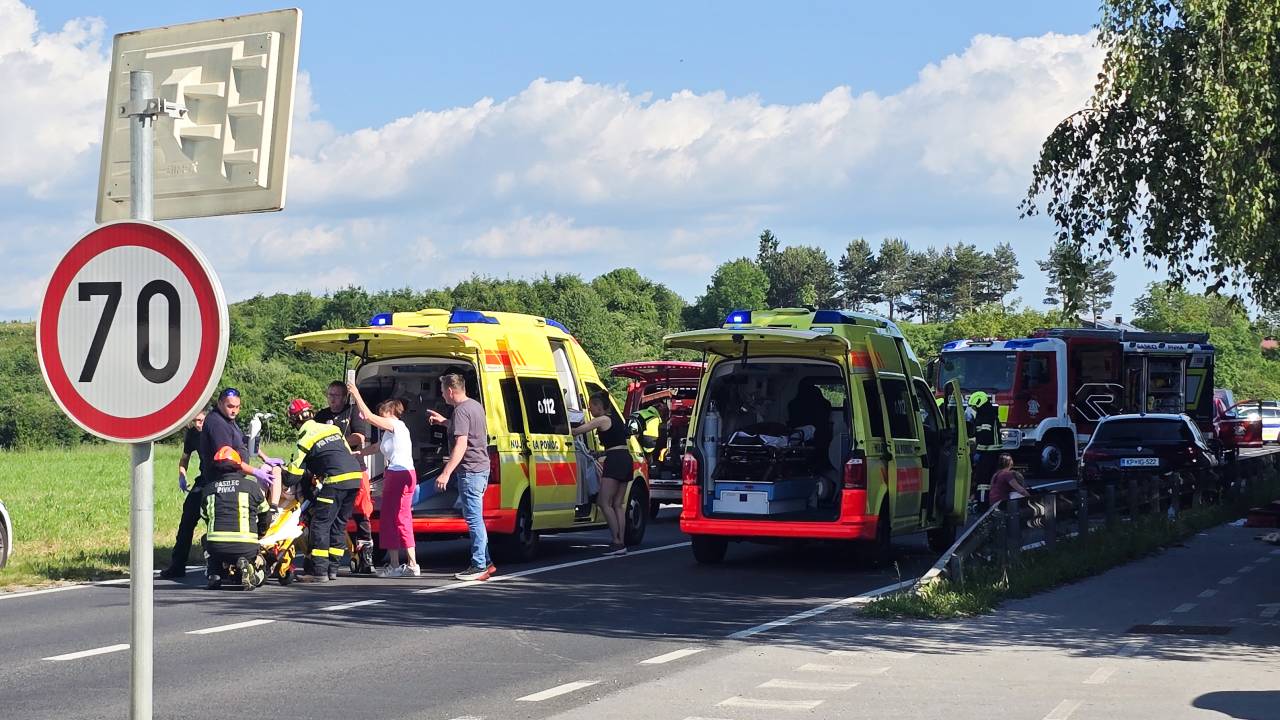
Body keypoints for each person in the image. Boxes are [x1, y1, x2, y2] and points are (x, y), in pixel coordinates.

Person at [161, 388, 272, 580]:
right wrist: (255, 471)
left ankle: (221, 565)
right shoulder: (216, 424)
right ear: (220, 403)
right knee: (192, 520)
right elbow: (227, 459)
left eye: (237, 406)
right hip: (214, 481)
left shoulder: (230, 422)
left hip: (225, 480)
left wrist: (266, 459)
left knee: (219, 523)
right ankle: (183, 565)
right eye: (230, 406)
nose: (234, 410)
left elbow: (243, 443)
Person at [281, 398, 365, 582]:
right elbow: (344, 452)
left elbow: (293, 475)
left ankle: (318, 572)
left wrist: (281, 472)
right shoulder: (332, 429)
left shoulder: (304, 438)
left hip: (335, 480)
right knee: (339, 524)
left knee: (320, 524)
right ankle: (333, 569)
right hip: (354, 477)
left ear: (294, 420)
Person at [347, 384, 420, 578]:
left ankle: (395, 564)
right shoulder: (394, 432)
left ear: (391, 412)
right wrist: (359, 453)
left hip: (397, 474)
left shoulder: (395, 425)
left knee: (388, 519)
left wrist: (356, 394)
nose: (380, 417)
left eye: (383, 414)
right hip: (407, 473)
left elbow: (368, 417)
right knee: (403, 518)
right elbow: (377, 447)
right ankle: (412, 563)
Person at [428, 373, 495, 581]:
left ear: (450, 391)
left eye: (442, 391)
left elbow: (462, 444)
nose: (442, 395)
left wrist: (446, 472)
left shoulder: (460, 411)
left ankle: (479, 565)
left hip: (470, 471)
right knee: (475, 518)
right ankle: (486, 561)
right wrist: (445, 422)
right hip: (480, 468)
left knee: (474, 519)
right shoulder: (474, 406)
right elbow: (470, 432)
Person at [315, 380, 374, 568]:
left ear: (344, 397)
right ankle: (330, 560)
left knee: (362, 512)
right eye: (330, 395)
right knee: (331, 515)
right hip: (330, 473)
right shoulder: (321, 416)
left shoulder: (352, 412)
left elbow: (359, 437)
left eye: (336, 395)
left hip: (355, 469)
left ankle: (365, 557)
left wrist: (337, 444)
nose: (332, 399)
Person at [201, 446, 273, 590]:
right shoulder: (251, 487)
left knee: (205, 539)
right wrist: (261, 532)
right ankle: (253, 571)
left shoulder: (208, 489)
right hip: (246, 546)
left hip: (216, 547)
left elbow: (206, 517)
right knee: (262, 571)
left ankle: (214, 574)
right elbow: (266, 514)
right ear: (239, 466)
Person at [571, 390, 631, 556]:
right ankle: (621, 542)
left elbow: (577, 431)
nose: (590, 409)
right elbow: (616, 443)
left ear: (599, 406)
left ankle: (616, 542)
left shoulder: (602, 419)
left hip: (615, 461)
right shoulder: (615, 419)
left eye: (591, 406)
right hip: (625, 458)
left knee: (604, 502)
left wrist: (563, 426)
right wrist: (598, 453)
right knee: (618, 504)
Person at [177, 409, 207, 494]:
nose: (197, 424)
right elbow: (184, 459)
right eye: (194, 421)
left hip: (220, 475)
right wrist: (182, 476)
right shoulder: (192, 434)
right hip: (204, 475)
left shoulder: (216, 430)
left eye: (200, 420)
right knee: (191, 501)